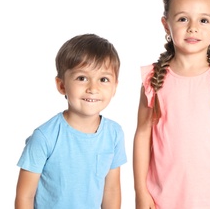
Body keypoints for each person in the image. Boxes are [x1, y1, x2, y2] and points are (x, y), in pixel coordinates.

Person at [133, 0, 210, 209]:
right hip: (161, 196)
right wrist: (141, 191)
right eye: (183, 19)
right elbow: (143, 137)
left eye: (203, 20)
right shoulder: (153, 78)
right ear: (166, 24)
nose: (193, 27)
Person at [15, 34, 127, 209]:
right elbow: (24, 196)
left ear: (115, 87)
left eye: (103, 79)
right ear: (62, 85)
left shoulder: (114, 134)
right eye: (82, 78)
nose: (93, 88)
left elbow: (111, 190)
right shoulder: (44, 137)